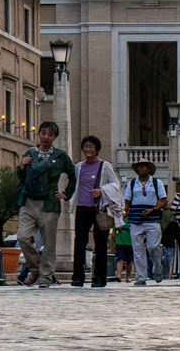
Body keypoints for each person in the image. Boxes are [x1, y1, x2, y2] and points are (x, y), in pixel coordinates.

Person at [15, 122, 76, 289]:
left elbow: (73, 174)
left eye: (50, 134)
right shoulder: (30, 153)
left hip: (49, 203)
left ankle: (46, 276)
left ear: (54, 137)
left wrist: (66, 193)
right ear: (39, 134)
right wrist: (22, 165)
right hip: (28, 202)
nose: (45, 137)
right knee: (23, 237)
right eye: (43, 133)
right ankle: (35, 269)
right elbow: (21, 176)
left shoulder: (61, 156)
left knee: (49, 243)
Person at [65, 135, 118, 288]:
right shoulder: (79, 166)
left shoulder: (105, 165)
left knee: (101, 243)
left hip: (100, 209)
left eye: (91, 147)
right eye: (85, 146)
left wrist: (101, 190)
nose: (88, 149)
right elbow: (73, 183)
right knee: (80, 241)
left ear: (97, 150)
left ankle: (100, 277)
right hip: (82, 207)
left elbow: (115, 184)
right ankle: (78, 276)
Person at [122, 159, 169, 287]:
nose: (141, 169)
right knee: (137, 250)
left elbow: (164, 201)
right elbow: (127, 203)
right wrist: (123, 216)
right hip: (135, 220)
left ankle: (157, 267)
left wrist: (153, 209)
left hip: (152, 219)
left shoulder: (156, 183)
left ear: (148, 169)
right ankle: (141, 276)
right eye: (139, 167)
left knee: (153, 246)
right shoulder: (132, 184)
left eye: (143, 166)